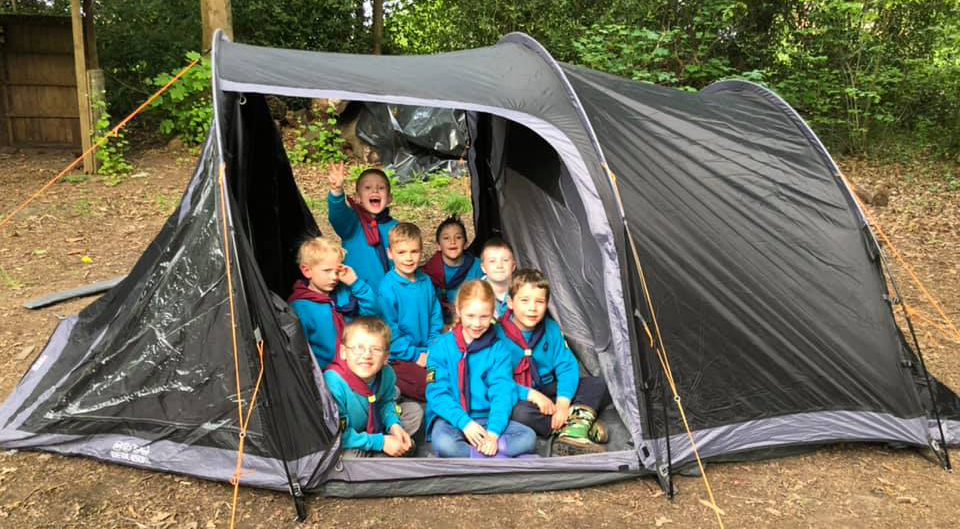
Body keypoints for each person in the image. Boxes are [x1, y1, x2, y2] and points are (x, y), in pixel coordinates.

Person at [498, 269, 611, 456]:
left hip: (549, 388)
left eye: (539, 302)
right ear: (510, 303)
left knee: (598, 384)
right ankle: (577, 427)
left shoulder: (550, 328)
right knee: (517, 412)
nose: (532, 308)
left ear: (547, 304)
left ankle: (573, 428)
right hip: (520, 393)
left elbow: (566, 366)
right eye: (524, 301)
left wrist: (563, 403)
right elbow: (497, 380)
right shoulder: (497, 333)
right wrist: (531, 394)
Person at [425, 280, 537, 458]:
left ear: (493, 312)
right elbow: (437, 394)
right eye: (470, 316)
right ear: (459, 310)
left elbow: (502, 393)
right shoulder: (441, 347)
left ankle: (477, 456)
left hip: (488, 418)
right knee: (445, 443)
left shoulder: (498, 350)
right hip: (453, 420)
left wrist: (493, 434)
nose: (477, 324)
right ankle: (499, 458)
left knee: (528, 437)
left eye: (484, 317)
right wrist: (465, 423)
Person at [324, 317, 423, 457]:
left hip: (374, 426)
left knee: (414, 412)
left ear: (386, 357)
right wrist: (380, 442)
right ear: (343, 352)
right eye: (359, 348)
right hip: (348, 437)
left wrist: (394, 425)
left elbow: (386, 402)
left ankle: (389, 450)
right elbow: (335, 433)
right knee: (347, 458)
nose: (366, 355)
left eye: (376, 349)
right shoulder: (333, 382)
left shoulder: (387, 373)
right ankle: (384, 452)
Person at [288, 236, 377, 369]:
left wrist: (355, 283)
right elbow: (300, 351)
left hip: (358, 362)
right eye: (327, 271)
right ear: (307, 271)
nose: (334, 277)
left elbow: (372, 314)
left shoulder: (344, 293)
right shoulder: (300, 307)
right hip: (328, 371)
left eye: (337, 271)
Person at [378, 222, 443, 402]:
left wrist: (432, 348)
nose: (408, 258)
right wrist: (416, 355)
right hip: (401, 356)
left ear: (421, 252)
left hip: (428, 349)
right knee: (429, 385)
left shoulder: (426, 282)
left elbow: (435, 318)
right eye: (402, 252)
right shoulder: (387, 288)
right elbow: (391, 331)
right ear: (390, 253)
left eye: (414, 252)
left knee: (453, 373)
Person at [326, 161, 397, 292]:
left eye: (381, 188)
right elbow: (338, 215)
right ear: (357, 197)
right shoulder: (352, 224)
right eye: (368, 187)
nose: (375, 190)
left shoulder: (396, 228)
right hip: (357, 295)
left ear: (389, 198)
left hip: (390, 295)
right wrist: (337, 191)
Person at [422, 215, 484, 324]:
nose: (452, 242)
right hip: (439, 322)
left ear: (466, 244)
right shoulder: (430, 270)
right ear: (438, 246)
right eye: (446, 238)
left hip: (472, 321)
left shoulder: (479, 267)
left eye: (458, 237)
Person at [479, 237, 516, 319]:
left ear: (513, 266)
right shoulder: (473, 293)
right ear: (483, 268)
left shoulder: (522, 290)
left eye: (505, 260)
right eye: (492, 261)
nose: (499, 266)